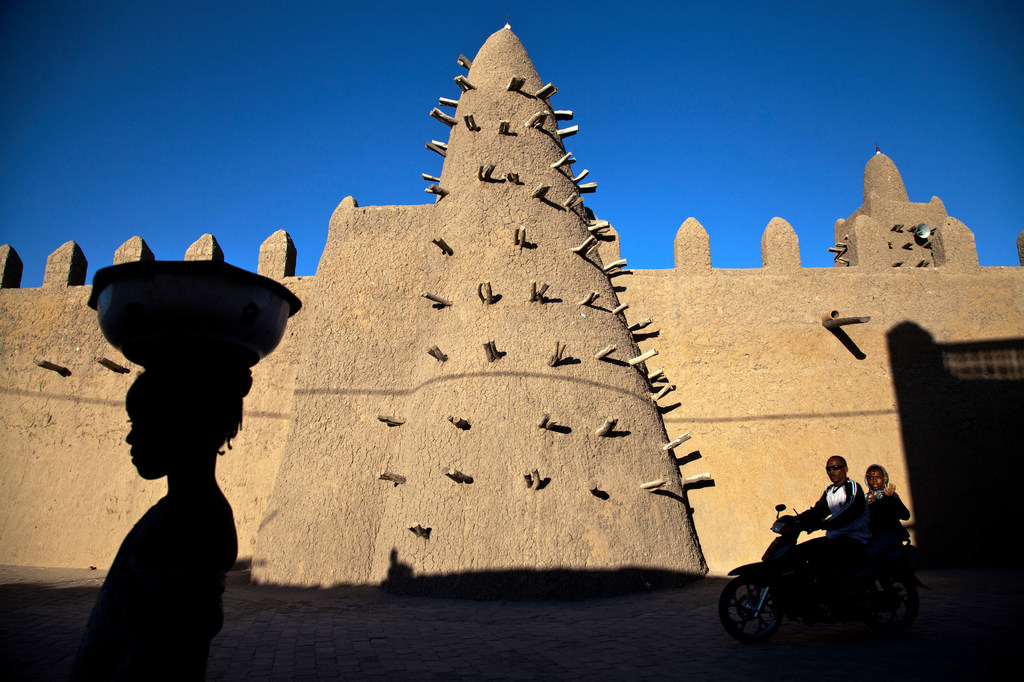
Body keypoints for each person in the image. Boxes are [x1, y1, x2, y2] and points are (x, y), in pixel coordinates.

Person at [72, 361, 252, 681]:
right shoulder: (184, 511)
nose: (130, 438)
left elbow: (171, 656)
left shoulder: (191, 523)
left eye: (142, 423)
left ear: (183, 427)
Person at [796, 456, 871, 589]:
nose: (832, 472)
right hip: (835, 537)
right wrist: (796, 521)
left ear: (845, 469)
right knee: (801, 551)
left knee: (823, 559)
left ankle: (835, 594)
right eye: (829, 469)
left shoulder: (853, 487)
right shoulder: (830, 492)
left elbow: (851, 509)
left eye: (836, 468)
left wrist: (825, 523)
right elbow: (818, 511)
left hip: (854, 538)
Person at [864, 464, 911, 557]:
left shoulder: (891, 495)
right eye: (871, 477)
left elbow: (905, 515)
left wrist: (891, 499)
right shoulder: (865, 499)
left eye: (878, 477)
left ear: (884, 479)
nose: (874, 480)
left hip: (891, 539)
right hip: (873, 540)